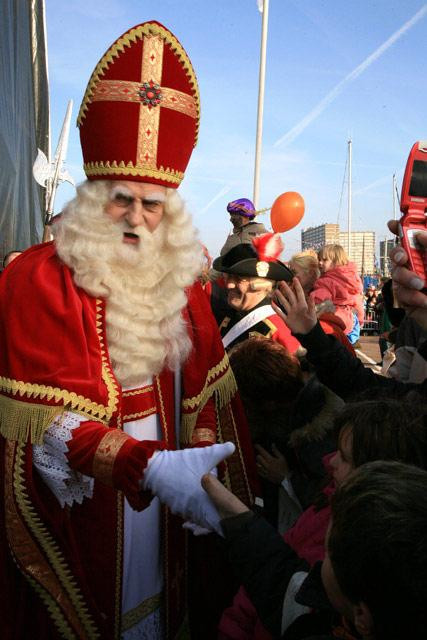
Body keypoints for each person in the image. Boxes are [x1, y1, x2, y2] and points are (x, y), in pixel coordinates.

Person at [0, 21, 255, 640]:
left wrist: (195, 465)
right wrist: (148, 469)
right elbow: (46, 424)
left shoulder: (185, 277)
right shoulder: (36, 278)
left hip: (168, 486)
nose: (138, 218)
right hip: (90, 501)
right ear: (92, 196)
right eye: (122, 200)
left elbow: (201, 387)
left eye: (153, 204)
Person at [218, 396, 427, 640]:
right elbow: (281, 577)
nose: (329, 461)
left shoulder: (349, 534)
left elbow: (293, 592)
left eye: (345, 457)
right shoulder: (331, 503)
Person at [203, 460, 427, 640]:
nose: (319, 562)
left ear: (362, 616)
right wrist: (235, 516)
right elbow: (281, 581)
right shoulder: (345, 612)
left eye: (328, 554)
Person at [212, 233, 301, 355]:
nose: (229, 285)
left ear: (260, 284)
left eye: (239, 279)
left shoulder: (277, 330)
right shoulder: (230, 315)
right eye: (228, 277)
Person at [312, 244, 364, 345]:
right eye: (319, 259)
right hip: (350, 320)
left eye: (324, 260)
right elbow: (357, 300)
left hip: (335, 320)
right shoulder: (352, 278)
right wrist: (360, 319)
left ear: (336, 262)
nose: (320, 263)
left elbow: (317, 301)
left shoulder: (326, 281)